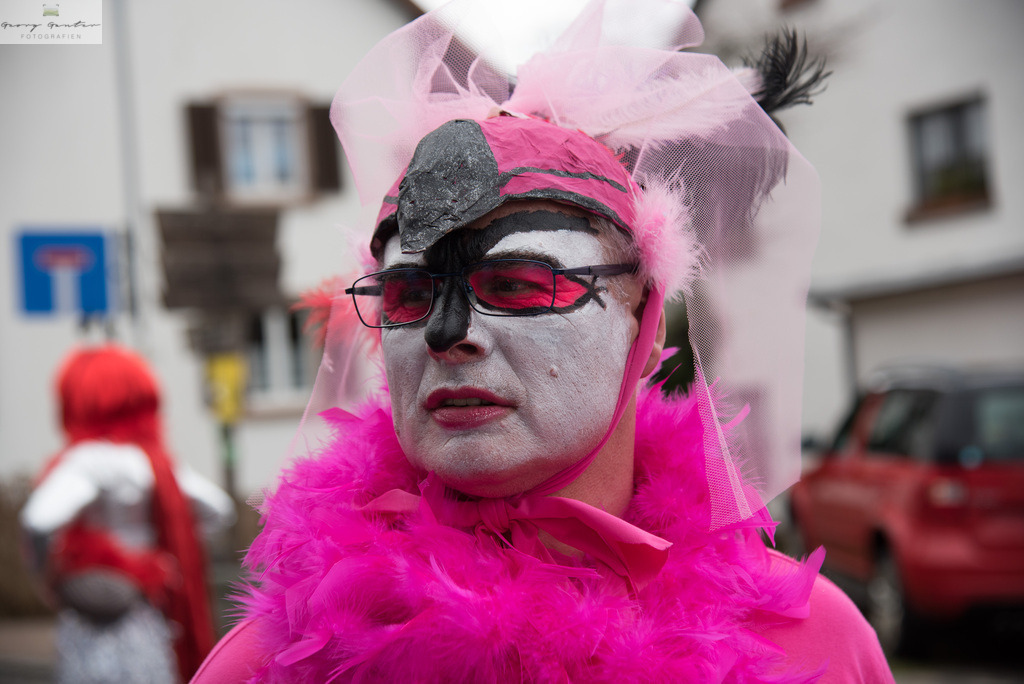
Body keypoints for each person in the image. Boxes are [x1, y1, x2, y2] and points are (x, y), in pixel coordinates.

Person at [194, 0, 895, 681]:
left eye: (517, 284)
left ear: (643, 325)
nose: (449, 335)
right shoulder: (281, 660)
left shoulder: (812, 642)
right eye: (409, 293)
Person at [20, 344, 235, 684]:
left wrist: (47, 577)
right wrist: (175, 554)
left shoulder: (87, 460)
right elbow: (219, 510)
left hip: (96, 613)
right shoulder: (157, 463)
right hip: (149, 613)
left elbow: (39, 519)